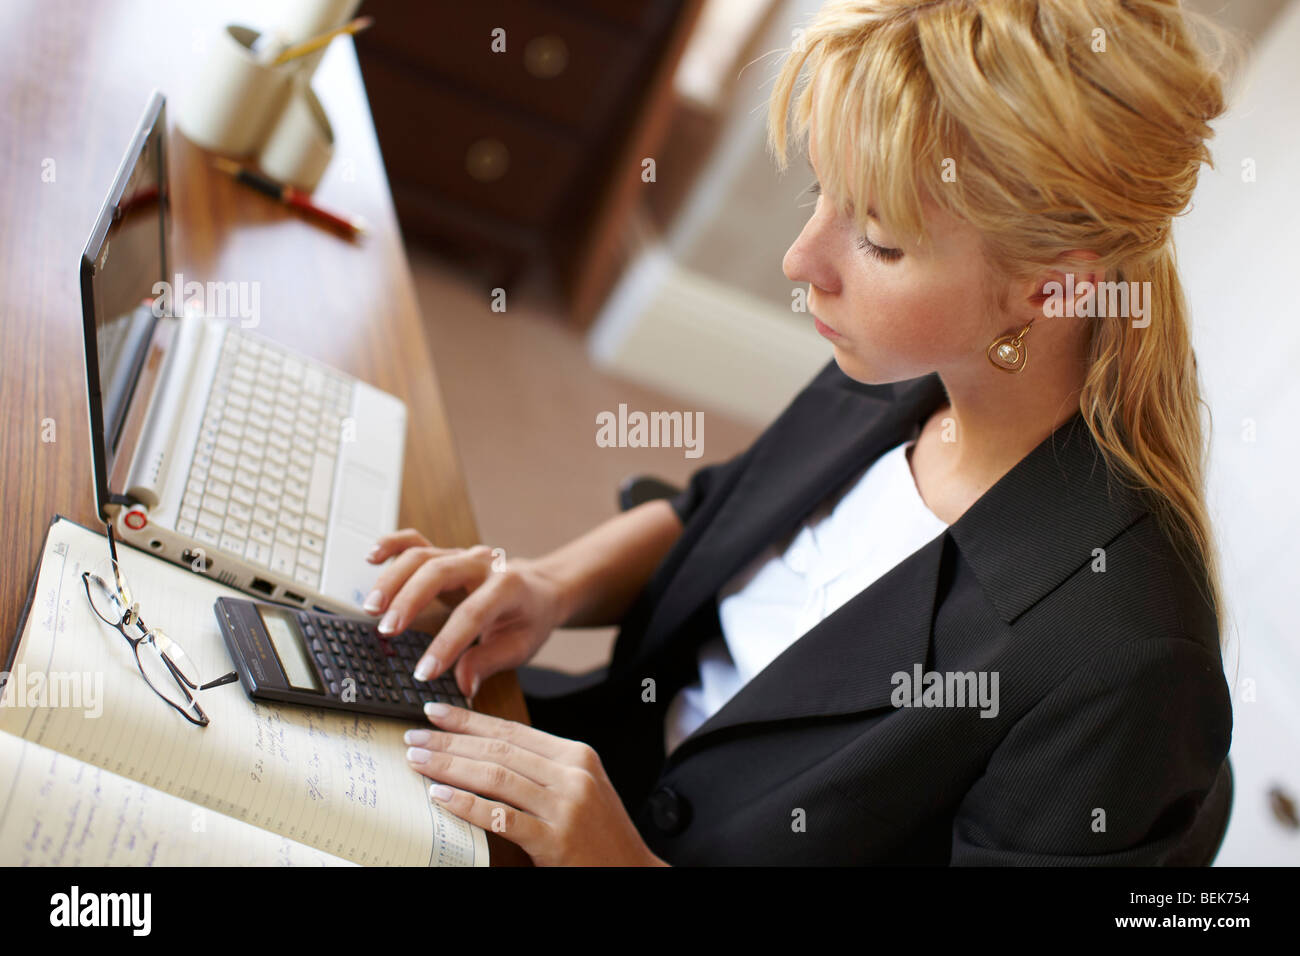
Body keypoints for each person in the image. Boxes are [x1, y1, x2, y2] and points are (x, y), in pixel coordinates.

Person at [361, 0, 1235, 865]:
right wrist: (546, 585)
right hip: (576, 761)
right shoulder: (904, 376)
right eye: (824, 194)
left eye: (880, 242)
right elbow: (716, 514)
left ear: (1051, 291)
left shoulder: (1125, 656)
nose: (801, 262)